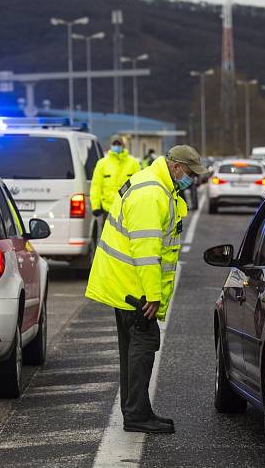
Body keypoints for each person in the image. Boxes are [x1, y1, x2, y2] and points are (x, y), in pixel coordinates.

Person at [85, 145, 207, 434]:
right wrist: (152, 296)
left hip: (126, 283)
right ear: (176, 166)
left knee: (132, 351)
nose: (191, 180)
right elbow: (146, 250)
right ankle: (137, 414)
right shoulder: (152, 195)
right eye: (189, 173)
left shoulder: (153, 185)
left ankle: (137, 410)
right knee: (142, 348)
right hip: (135, 289)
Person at [90, 135, 140, 220]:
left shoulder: (133, 163)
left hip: (127, 209)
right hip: (108, 209)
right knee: (108, 233)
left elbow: (139, 185)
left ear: (123, 145)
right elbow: (96, 186)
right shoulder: (102, 164)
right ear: (111, 145)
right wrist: (96, 206)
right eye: (114, 143)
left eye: (119, 144)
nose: (116, 146)